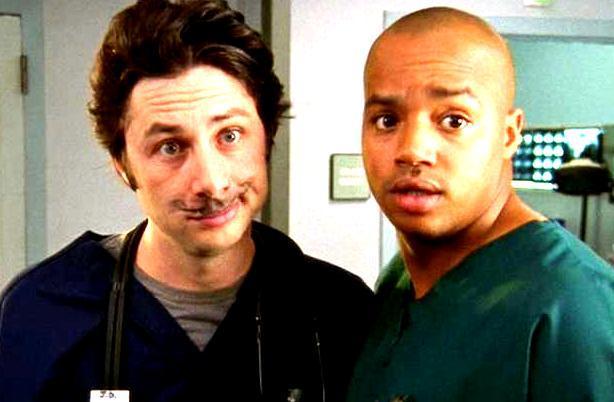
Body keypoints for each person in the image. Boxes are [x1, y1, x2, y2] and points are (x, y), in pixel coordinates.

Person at [0, 1, 373, 401]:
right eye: (170, 146)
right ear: (122, 165)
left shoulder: (339, 311)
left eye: (230, 135)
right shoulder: (41, 311)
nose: (211, 183)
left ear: (266, 138)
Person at [347, 7, 614, 402]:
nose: (413, 150)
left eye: (454, 121)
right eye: (386, 120)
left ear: (509, 135)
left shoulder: (573, 307)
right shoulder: (399, 281)